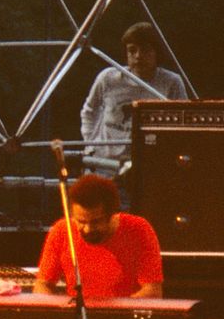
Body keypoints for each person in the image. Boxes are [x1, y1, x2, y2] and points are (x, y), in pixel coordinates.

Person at [33, 173, 162, 298]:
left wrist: (115, 313)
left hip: (122, 317)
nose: (88, 229)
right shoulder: (61, 230)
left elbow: (152, 291)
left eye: (96, 221)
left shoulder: (138, 229)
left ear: (111, 214)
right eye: (81, 222)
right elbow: (42, 284)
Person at [80, 21, 187, 169]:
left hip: (145, 165)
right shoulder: (108, 78)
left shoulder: (171, 82)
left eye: (145, 50)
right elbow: (89, 111)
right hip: (103, 162)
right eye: (132, 50)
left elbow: (183, 126)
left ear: (157, 52)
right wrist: (90, 144)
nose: (138, 56)